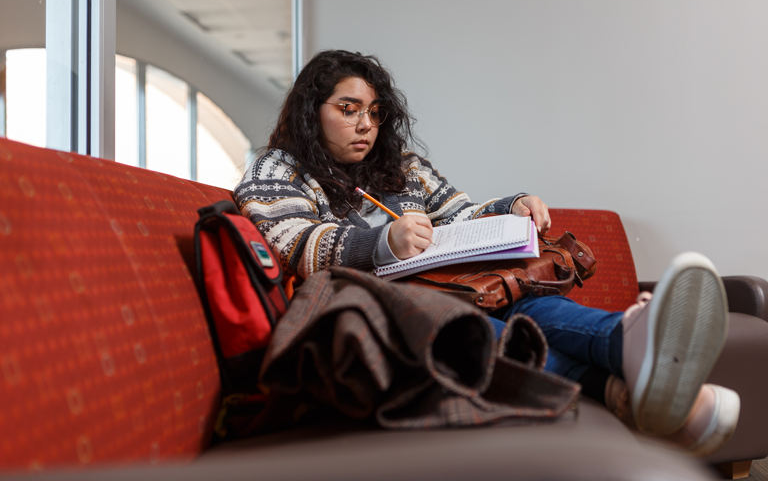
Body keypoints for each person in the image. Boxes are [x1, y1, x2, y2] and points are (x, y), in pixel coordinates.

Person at [234, 49, 739, 456]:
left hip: (454, 287)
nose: (366, 124)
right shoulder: (280, 167)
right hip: (388, 309)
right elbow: (290, 240)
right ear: (310, 112)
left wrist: (511, 206)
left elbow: (458, 211)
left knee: (530, 303)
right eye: (348, 111)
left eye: (374, 112)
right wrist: (381, 244)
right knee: (483, 330)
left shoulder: (401, 166)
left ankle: (626, 355)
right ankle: (644, 364)